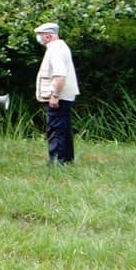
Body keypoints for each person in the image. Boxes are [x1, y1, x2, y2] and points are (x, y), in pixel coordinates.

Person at [34, 22, 79, 164]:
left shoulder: (55, 49)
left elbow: (60, 75)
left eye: (40, 35)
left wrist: (54, 96)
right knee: (64, 128)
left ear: (48, 36)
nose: (39, 38)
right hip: (65, 95)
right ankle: (66, 159)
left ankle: (57, 160)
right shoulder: (61, 46)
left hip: (59, 96)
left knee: (55, 128)